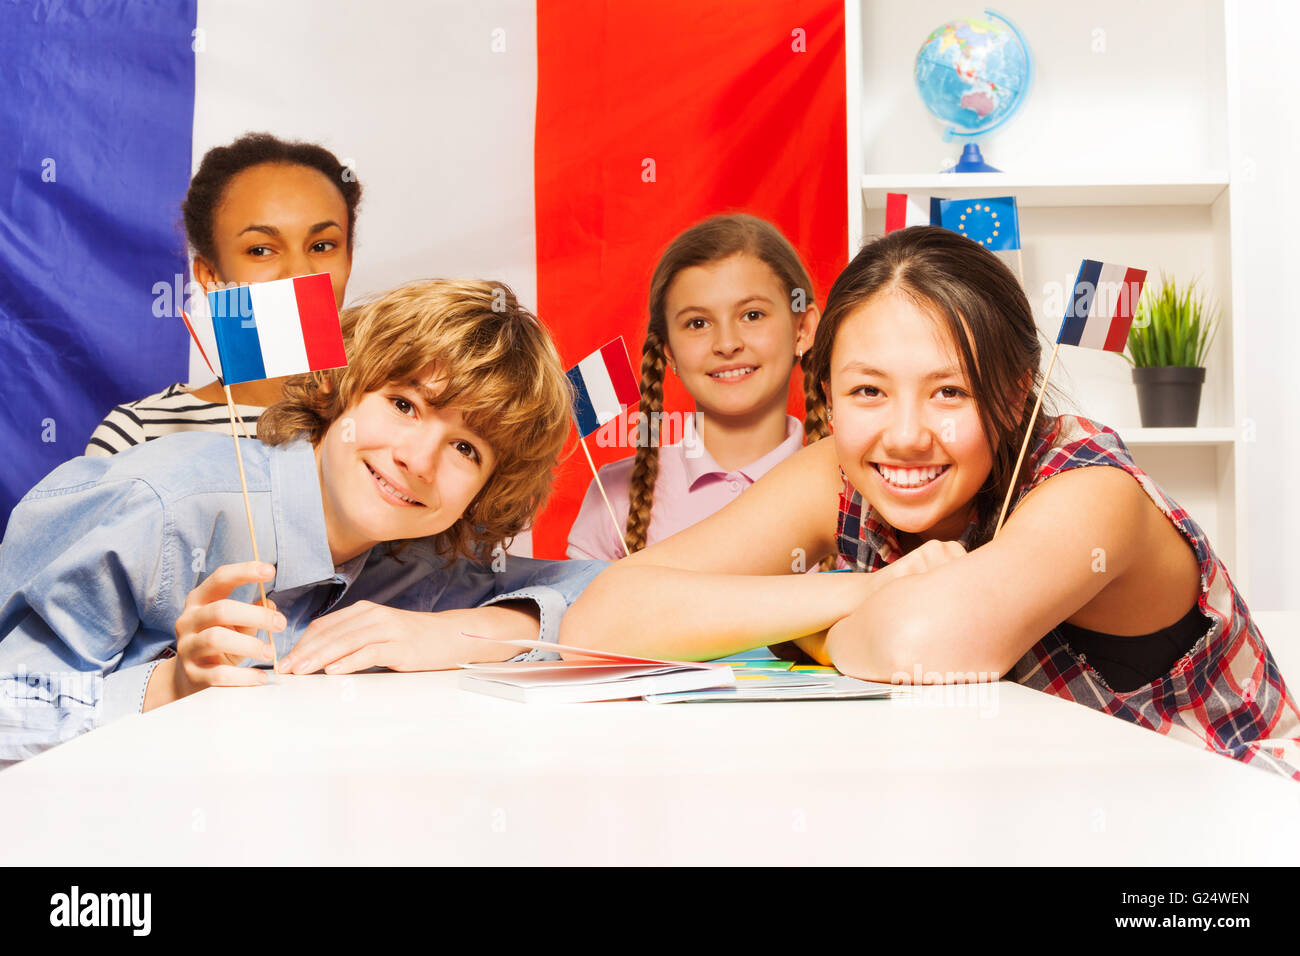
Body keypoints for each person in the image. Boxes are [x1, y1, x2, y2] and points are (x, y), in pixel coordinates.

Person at [561, 226, 1300, 780]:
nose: (906, 435)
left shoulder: (1090, 489)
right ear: (826, 392)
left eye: (950, 391)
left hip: (1223, 836)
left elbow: (920, 646)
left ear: (1016, 393)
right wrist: (867, 590)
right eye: (868, 391)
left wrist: (803, 629)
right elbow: (601, 618)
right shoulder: (839, 473)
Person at [1, 279, 608, 764]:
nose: (418, 462)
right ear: (336, 392)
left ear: (483, 492)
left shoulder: (419, 560)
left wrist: (454, 632)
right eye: (404, 405)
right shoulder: (158, 505)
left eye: (466, 449)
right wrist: (171, 688)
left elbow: (602, 592)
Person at [84, 132, 359, 455]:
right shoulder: (139, 435)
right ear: (210, 276)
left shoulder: (404, 416)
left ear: (349, 259)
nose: (300, 273)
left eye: (322, 246)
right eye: (260, 250)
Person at [566, 214, 821, 562]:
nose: (727, 343)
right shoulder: (614, 498)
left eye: (752, 315)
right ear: (669, 352)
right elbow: (579, 613)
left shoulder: (850, 491)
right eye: (697, 323)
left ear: (803, 330)